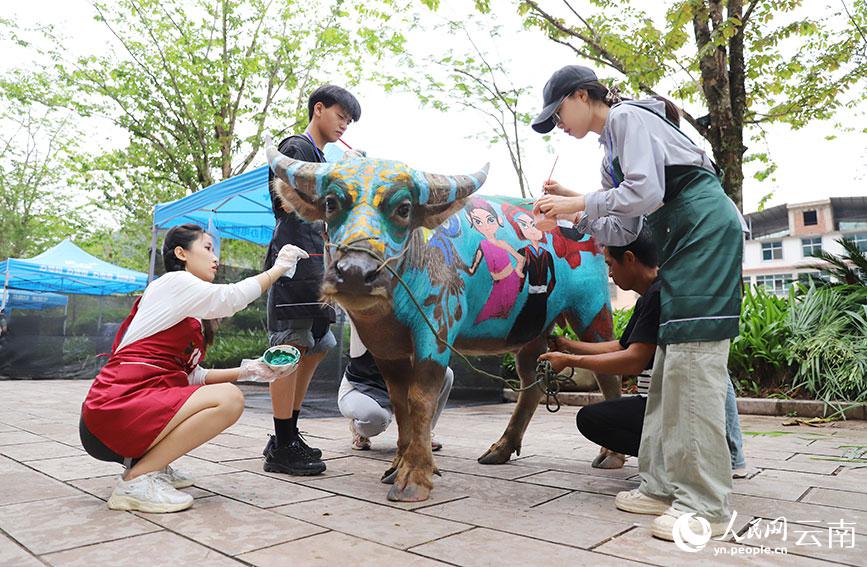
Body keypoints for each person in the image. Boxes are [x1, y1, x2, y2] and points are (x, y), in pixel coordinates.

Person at [531, 65, 744, 540]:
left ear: (584, 96)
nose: (558, 125)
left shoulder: (626, 118)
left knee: (692, 368)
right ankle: (662, 485)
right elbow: (624, 230)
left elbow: (645, 192)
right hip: (681, 240)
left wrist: (579, 202)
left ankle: (704, 506)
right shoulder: (610, 153)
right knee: (669, 371)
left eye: (559, 112)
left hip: (704, 233)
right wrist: (571, 217)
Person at [80, 224, 307, 513]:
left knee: (227, 392)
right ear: (181, 253)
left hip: (127, 412)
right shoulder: (172, 282)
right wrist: (278, 269)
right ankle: (136, 480)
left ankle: (154, 466)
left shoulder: (190, 313)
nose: (216, 258)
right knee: (229, 399)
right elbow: (231, 298)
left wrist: (252, 371)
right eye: (208, 248)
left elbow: (192, 376)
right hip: (114, 410)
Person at [539, 229, 747, 476]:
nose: (610, 273)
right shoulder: (652, 293)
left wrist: (570, 361)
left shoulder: (659, 295)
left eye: (610, 264)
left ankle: (674, 456)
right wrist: (568, 346)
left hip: (671, 404)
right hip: (665, 401)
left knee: (591, 420)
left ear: (629, 258)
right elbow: (622, 346)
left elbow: (634, 360)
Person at [263, 85, 361, 476]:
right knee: (290, 345)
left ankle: (286, 433)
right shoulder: (297, 147)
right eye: (341, 116)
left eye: (349, 121)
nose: (344, 124)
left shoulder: (321, 156)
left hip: (320, 268)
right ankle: (282, 443)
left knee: (319, 344)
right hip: (294, 264)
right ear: (318, 109)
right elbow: (292, 203)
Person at [338, 321, 452, 451]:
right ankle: (360, 431)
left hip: (399, 388)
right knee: (376, 418)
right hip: (361, 388)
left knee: (445, 373)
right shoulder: (363, 323)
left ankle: (420, 434)